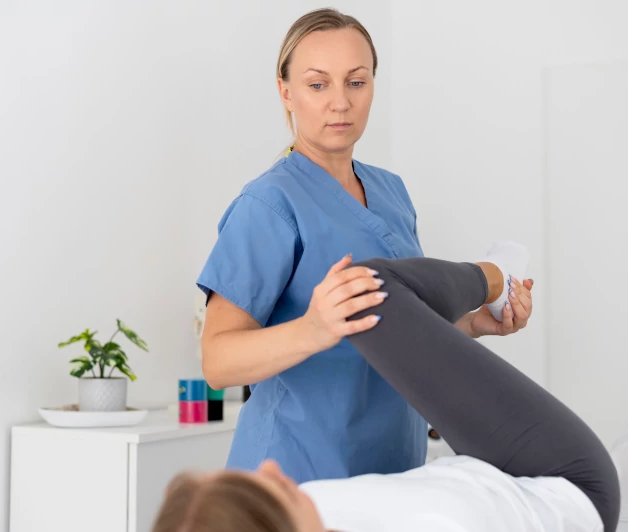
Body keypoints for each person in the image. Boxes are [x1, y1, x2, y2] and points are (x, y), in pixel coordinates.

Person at [195, 7, 535, 485]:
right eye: (318, 84)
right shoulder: (270, 203)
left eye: (356, 82)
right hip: (295, 476)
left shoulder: (392, 192)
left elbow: (398, 331)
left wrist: (473, 326)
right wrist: (315, 328)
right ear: (285, 92)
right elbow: (217, 361)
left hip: (392, 471)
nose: (340, 102)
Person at [155, 247, 628, 532]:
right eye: (272, 491)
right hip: (568, 483)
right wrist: (314, 329)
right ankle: (496, 275)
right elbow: (217, 363)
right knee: (365, 288)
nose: (275, 470)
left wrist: (463, 331)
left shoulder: (308, 514)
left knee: (358, 296)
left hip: (481, 466)